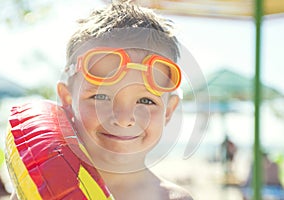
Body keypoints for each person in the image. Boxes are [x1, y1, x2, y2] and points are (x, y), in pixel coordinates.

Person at [10, 1, 193, 199]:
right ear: (67, 99)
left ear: (168, 111)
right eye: (101, 97)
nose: (123, 119)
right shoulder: (40, 190)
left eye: (146, 101)